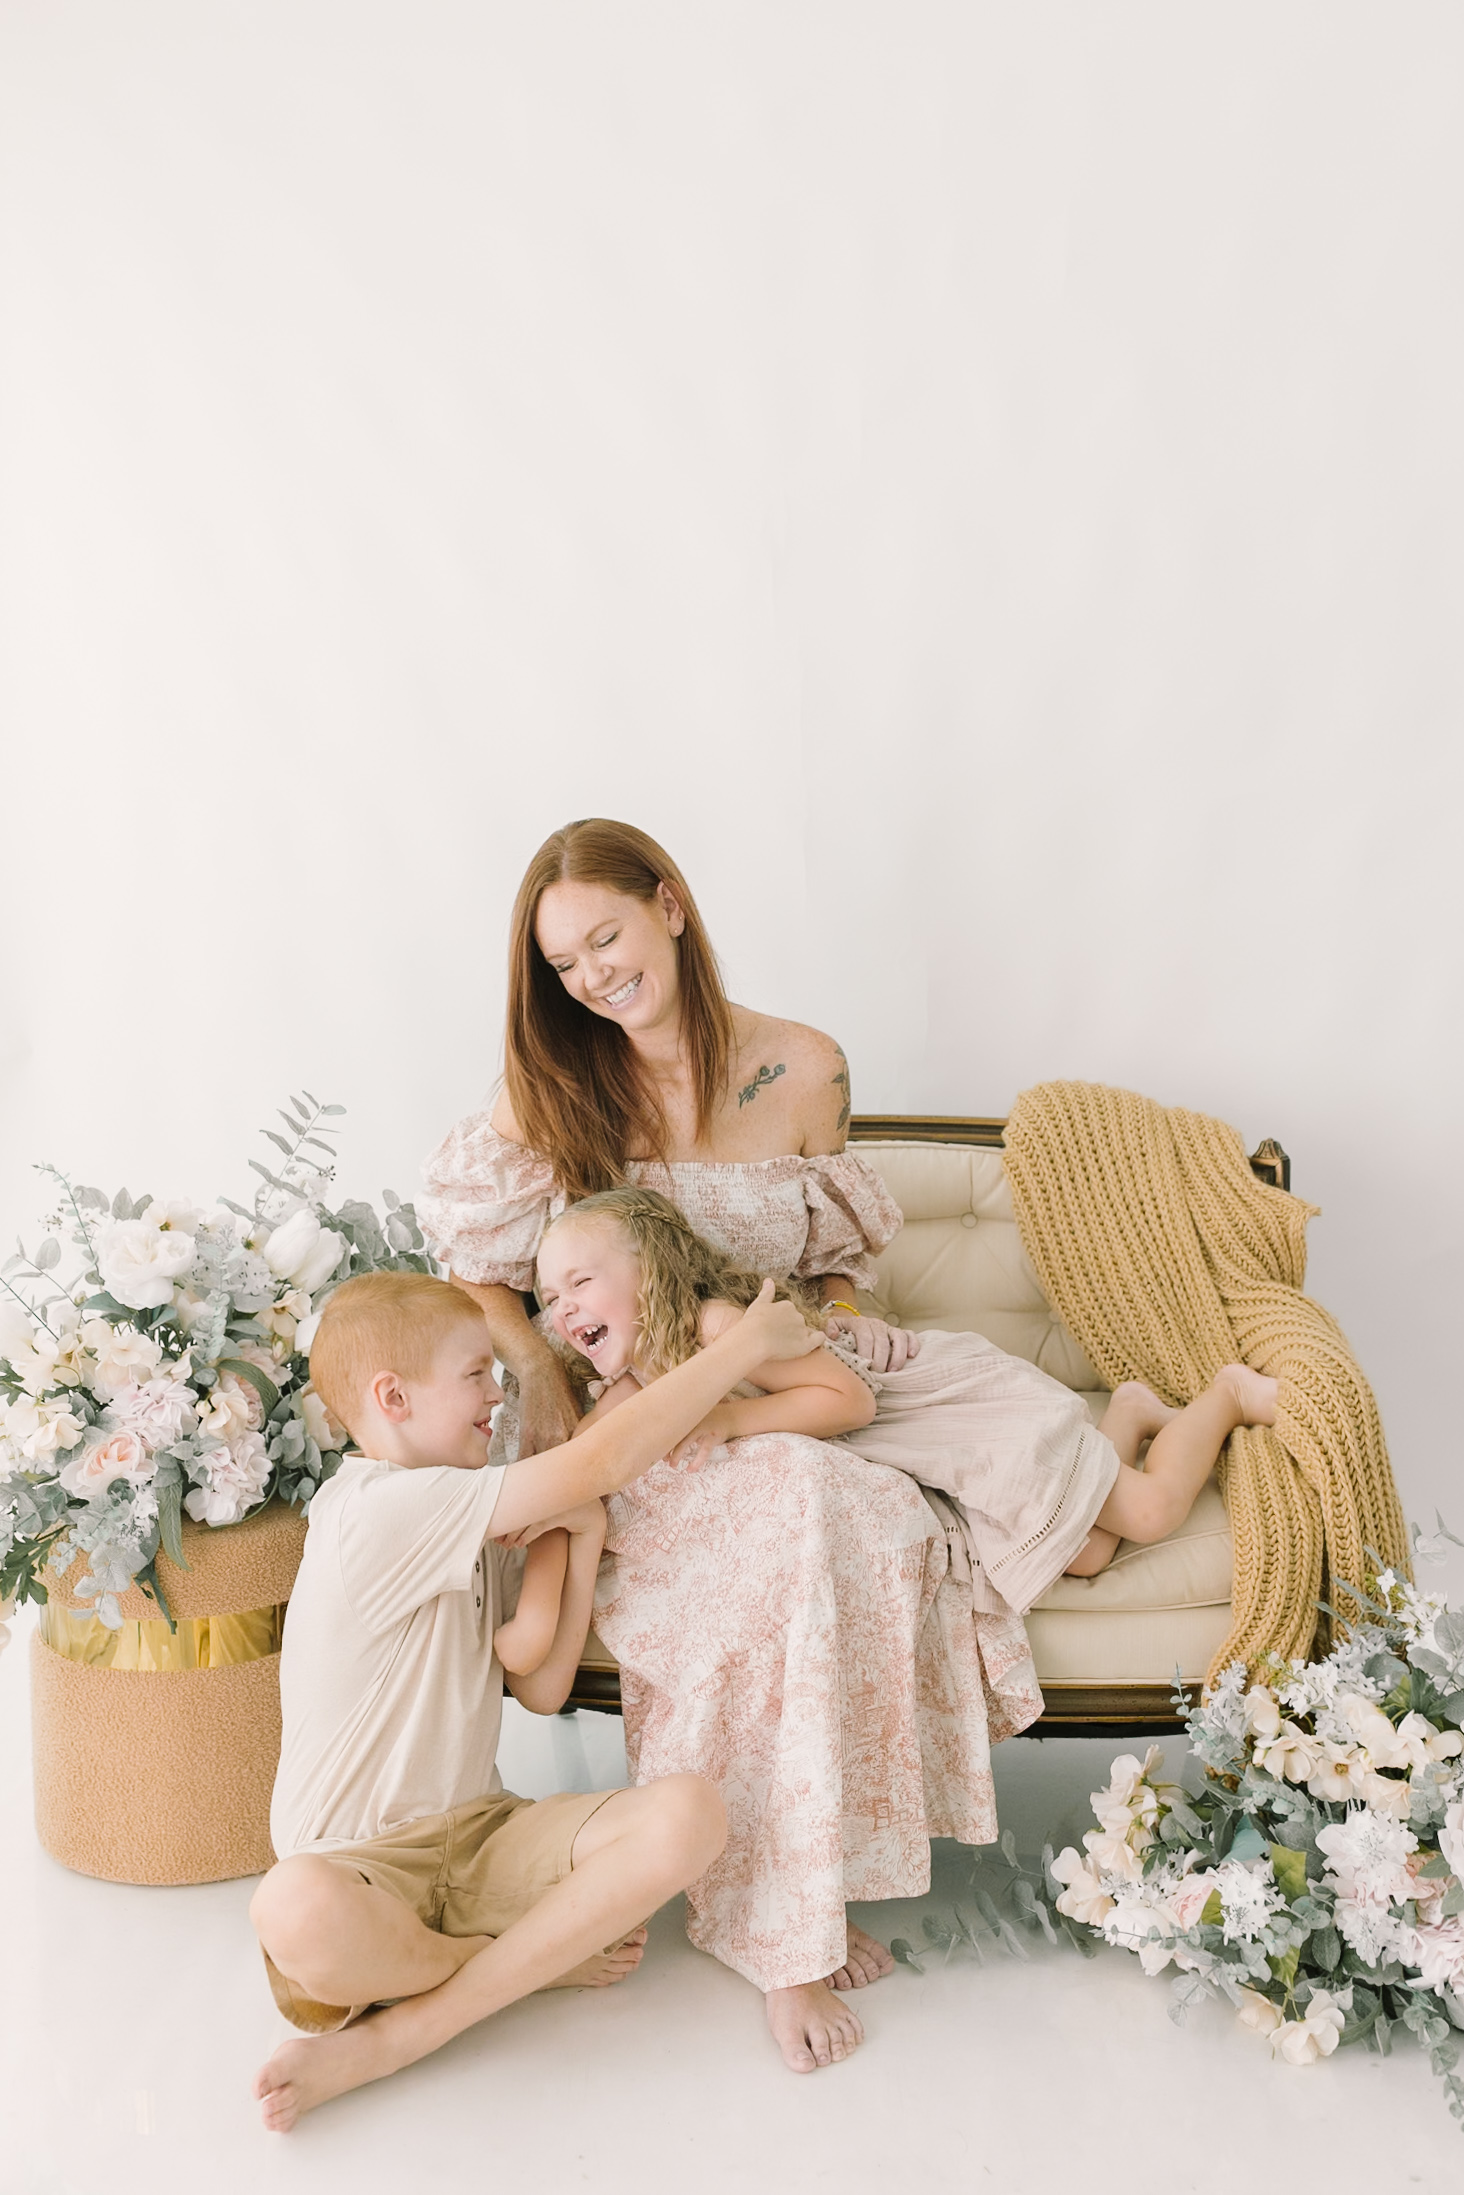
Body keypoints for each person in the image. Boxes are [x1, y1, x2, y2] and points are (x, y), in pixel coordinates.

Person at [421, 821, 1041, 2073]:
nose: (594, 975)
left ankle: (820, 1877)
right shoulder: (549, 1091)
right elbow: (478, 1272)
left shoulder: (805, 1067)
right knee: (797, 1509)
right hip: (645, 1438)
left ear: (671, 905)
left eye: (607, 936)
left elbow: (836, 1274)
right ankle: (784, 1934)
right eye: (566, 963)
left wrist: (840, 1362)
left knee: (847, 1505)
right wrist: (547, 1372)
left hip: (776, 1395)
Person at [250, 1267, 821, 2130]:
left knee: (692, 1815)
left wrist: (580, 1537)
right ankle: (513, 1967)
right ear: (393, 1396)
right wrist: (742, 1345)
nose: (498, 1392)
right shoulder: (370, 1507)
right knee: (290, 1907)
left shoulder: (479, 1521)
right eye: (476, 1373)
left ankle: (407, 2025)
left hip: (481, 1838)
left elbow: (541, 1685)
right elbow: (601, 1458)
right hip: (360, 1867)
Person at [538, 1185, 1280, 1612]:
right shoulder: (638, 1375)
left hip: (940, 1411)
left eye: (581, 1282)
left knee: (1149, 1509)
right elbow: (597, 1452)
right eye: (549, 1297)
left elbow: (849, 1400)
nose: (566, 1309)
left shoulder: (716, 1326)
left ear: (650, 1270)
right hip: (914, 1454)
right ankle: (1130, 1412)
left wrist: (731, 1417)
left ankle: (1225, 1394)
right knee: (1083, 1553)